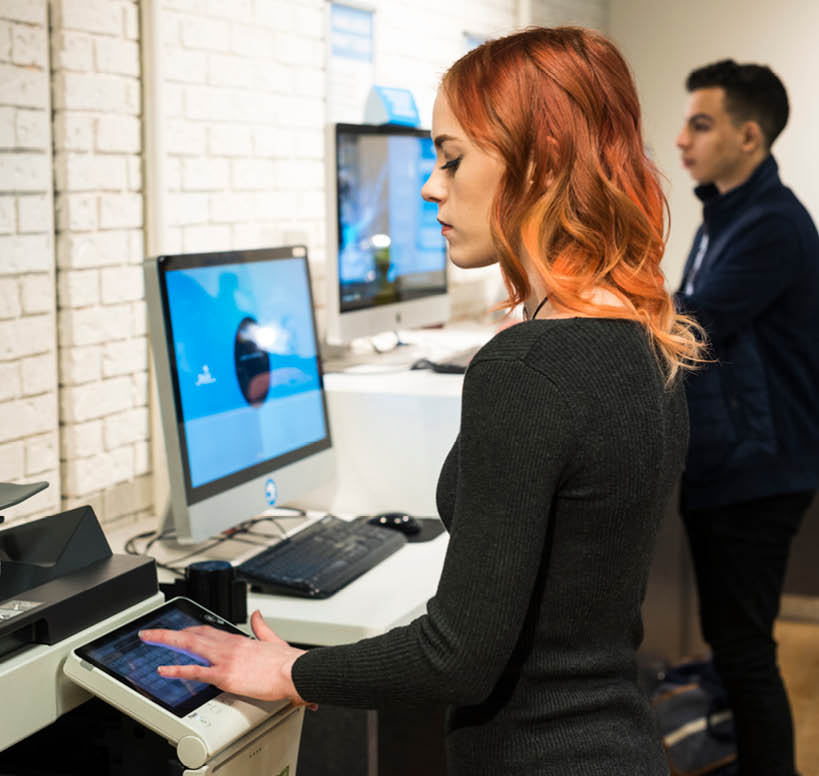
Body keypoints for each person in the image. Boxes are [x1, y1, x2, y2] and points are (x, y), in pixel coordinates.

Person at [142, 27, 702, 774]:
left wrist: (285, 671)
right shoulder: (640, 337)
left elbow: (454, 658)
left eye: (451, 158)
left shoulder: (529, 366)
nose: (430, 186)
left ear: (538, 159)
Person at [674, 59, 819, 776]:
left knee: (744, 651)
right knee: (733, 645)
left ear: (749, 136)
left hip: (756, 471)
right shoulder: (724, 215)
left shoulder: (771, 226)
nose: (680, 139)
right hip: (729, 466)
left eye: (700, 124)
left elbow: (693, 320)